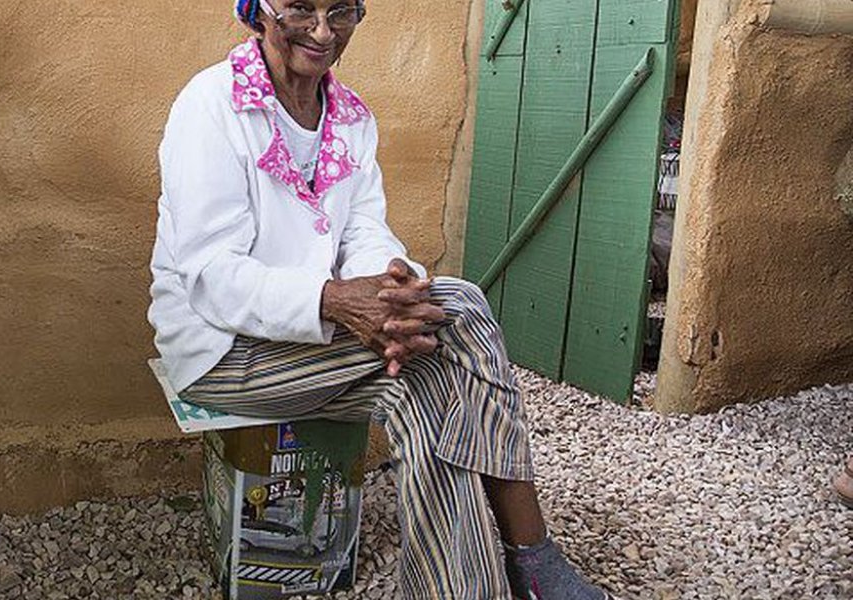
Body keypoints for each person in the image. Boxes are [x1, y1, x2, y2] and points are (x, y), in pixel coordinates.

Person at [147, 1, 613, 597]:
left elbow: (365, 230)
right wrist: (338, 300)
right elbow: (209, 273)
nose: (322, 30)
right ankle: (535, 556)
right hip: (223, 349)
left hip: (309, 342)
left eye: (341, 11)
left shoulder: (349, 116)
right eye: (301, 9)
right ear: (260, 9)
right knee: (464, 308)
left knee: (424, 388)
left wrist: (391, 285)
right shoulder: (212, 105)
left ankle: (464, 588)